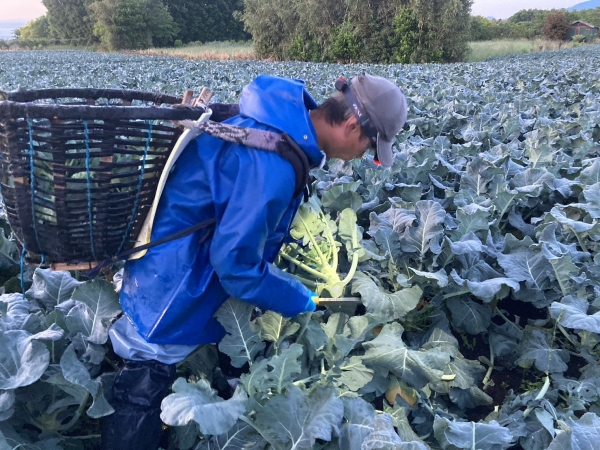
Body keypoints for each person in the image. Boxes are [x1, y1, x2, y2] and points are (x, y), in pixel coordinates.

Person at [100, 73, 408, 450]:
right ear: (349, 125)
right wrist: (297, 298)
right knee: (147, 367)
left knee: (200, 340)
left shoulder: (282, 119)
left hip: (182, 255)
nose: (365, 156)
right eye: (369, 147)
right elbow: (235, 266)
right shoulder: (273, 165)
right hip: (174, 275)